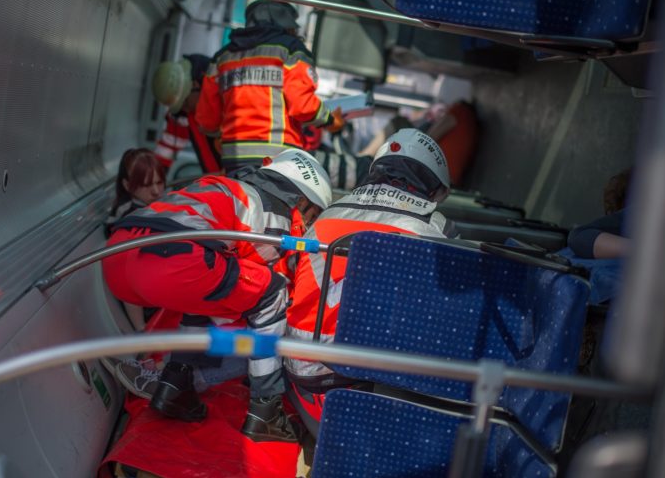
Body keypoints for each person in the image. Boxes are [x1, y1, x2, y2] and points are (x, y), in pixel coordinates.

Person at [102, 149, 332, 442]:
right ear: (299, 198)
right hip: (170, 261)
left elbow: (230, 288)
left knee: (213, 285)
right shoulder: (272, 210)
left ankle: (175, 385)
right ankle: (266, 412)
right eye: (310, 213)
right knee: (272, 293)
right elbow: (263, 285)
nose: (305, 223)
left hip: (118, 255)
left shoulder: (226, 187)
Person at [284, 130, 456, 409]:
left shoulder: (330, 213)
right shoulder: (434, 226)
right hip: (355, 372)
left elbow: (294, 270)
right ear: (431, 185)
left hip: (300, 363)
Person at [195, 0, 344, 173]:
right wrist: (331, 120)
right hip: (278, 160)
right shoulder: (291, 51)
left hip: (233, 160)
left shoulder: (221, 58)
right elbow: (302, 106)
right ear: (287, 15)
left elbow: (206, 120)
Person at [153, 55, 222, 176]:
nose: (184, 109)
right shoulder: (183, 113)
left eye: (184, 103)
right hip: (218, 185)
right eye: (179, 107)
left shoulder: (224, 97)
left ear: (195, 85)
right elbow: (166, 150)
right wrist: (153, 175)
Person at [104, 148, 166, 238]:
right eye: (146, 185)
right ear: (127, 185)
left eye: (159, 183)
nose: (156, 192)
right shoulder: (126, 213)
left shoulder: (167, 200)